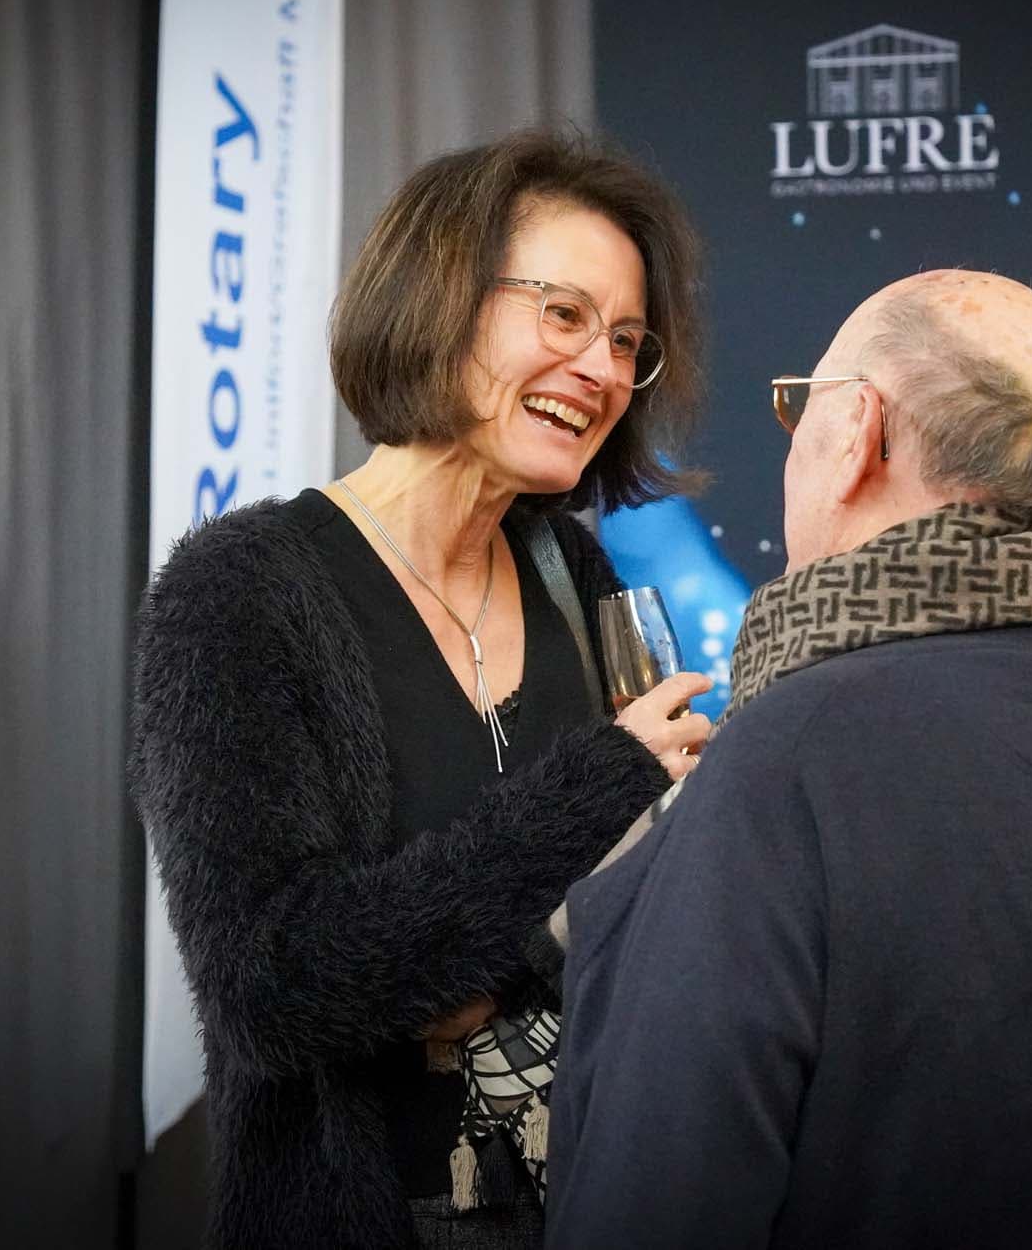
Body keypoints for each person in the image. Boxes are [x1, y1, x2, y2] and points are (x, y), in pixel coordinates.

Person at [544, 271, 1032, 1249]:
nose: (793, 441)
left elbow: (648, 1203)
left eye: (799, 408)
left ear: (859, 430)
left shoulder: (785, 764)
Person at [129, 131, 714, 1249]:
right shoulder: (238, 594)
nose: (599, 369)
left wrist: (465, 974)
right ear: (437, 295)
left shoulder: (571, 572)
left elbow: (642, 910)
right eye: (563, 316)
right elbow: (273, 987)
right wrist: (598, 784)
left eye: (626, 341)